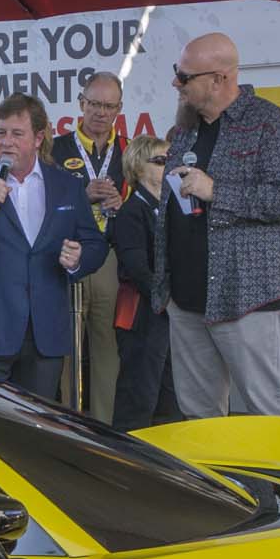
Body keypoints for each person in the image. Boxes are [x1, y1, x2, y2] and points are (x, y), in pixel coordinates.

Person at [156, 30, 280, 418]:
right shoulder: (187, 126)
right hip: (187, 299)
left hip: (247, 297)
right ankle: (218, 483)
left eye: (184, 76)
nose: (176, 82)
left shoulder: (270, 125)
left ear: (219, 79)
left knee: (267, 409)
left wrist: (216, 190)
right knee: (199, 416)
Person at [0, 94, 108, 393]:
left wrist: (79, 258)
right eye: (0, 133)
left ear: (38, 138)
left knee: (34, 433)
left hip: (44, 337)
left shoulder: (66, 186)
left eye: (16, 133)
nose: (6, 142)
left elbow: (95, 244)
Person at [53, 70, 130, 419]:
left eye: (109, 106)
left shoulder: (128, 150)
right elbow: (43, 205)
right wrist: (82, 197)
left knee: (106, 347)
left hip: (110, 256)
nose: (101, 113)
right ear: (81, 104)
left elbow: (148, 204)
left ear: (119, 109)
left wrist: (123, 207)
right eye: (95, 104)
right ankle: (68, 423)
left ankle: (103, 428)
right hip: (67, 255)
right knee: (67, 345)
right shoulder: (56, 148)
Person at [110, 134, 174, 430]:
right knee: (140, 396)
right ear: (137, 167)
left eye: (169, 160)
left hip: (169, 312)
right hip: (143, 313)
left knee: (170, 397)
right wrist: (168, 299)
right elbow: (137, 267)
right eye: (160, 161)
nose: (167, 166)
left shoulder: (171, 207)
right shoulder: (131, 212)